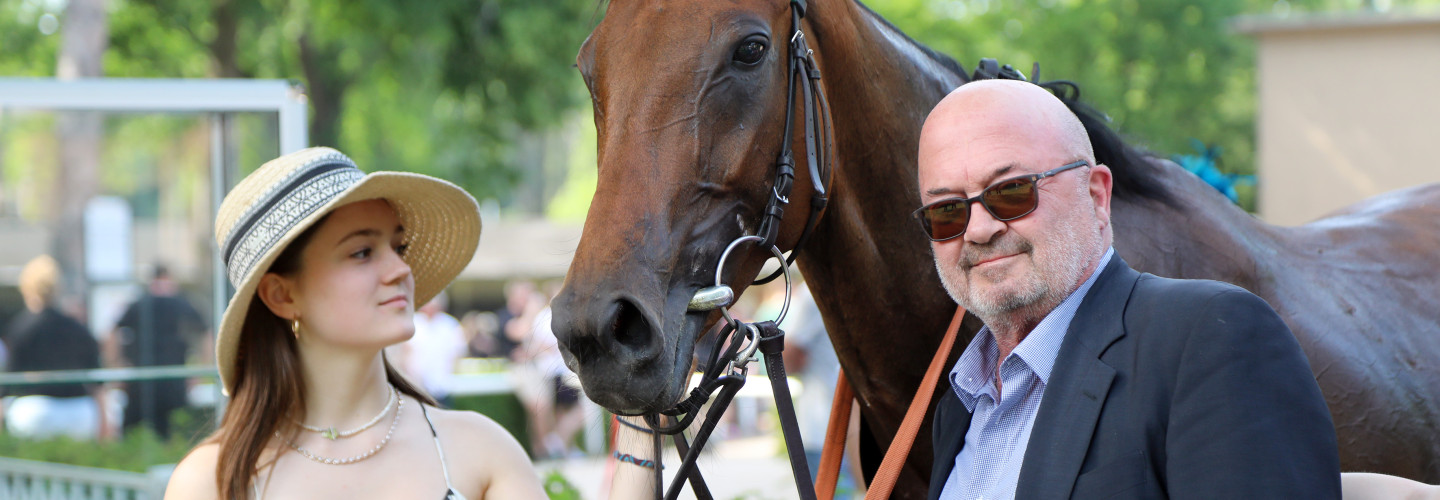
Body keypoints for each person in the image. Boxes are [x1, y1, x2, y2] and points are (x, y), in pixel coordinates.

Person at [917, 80, 1340, 499]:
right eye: (947, 211)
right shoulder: (958, 408)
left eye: (1011, 192)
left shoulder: (1211, 338)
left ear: (1096, 195)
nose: (978, 230)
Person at [164, 147, 545, 499]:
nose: (400, 270)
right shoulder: (211, 481)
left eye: (399, 248)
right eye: (361, 252)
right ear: (282, 296)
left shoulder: (476, 449)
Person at [1, 255, 108, 440]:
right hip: (80, 413)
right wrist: (106, 427)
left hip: (35, 413)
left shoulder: (20, 328)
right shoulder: (77, 328)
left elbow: (8, 383)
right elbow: (97, 382)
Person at [112, 263, 209, 439]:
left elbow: (112, 332)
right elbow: (206, 333)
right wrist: (199, 370)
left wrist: (118, 366)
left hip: (144, 381)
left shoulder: (140, 304)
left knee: (133, 436)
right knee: (175, 436)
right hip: (169, 381)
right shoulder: (180, 304)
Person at [389, 291, 467, 407]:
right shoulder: (414, 322)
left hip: (442, 384)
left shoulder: (449, 325)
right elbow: (405, 352)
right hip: (417, 384)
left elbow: (458, 353)